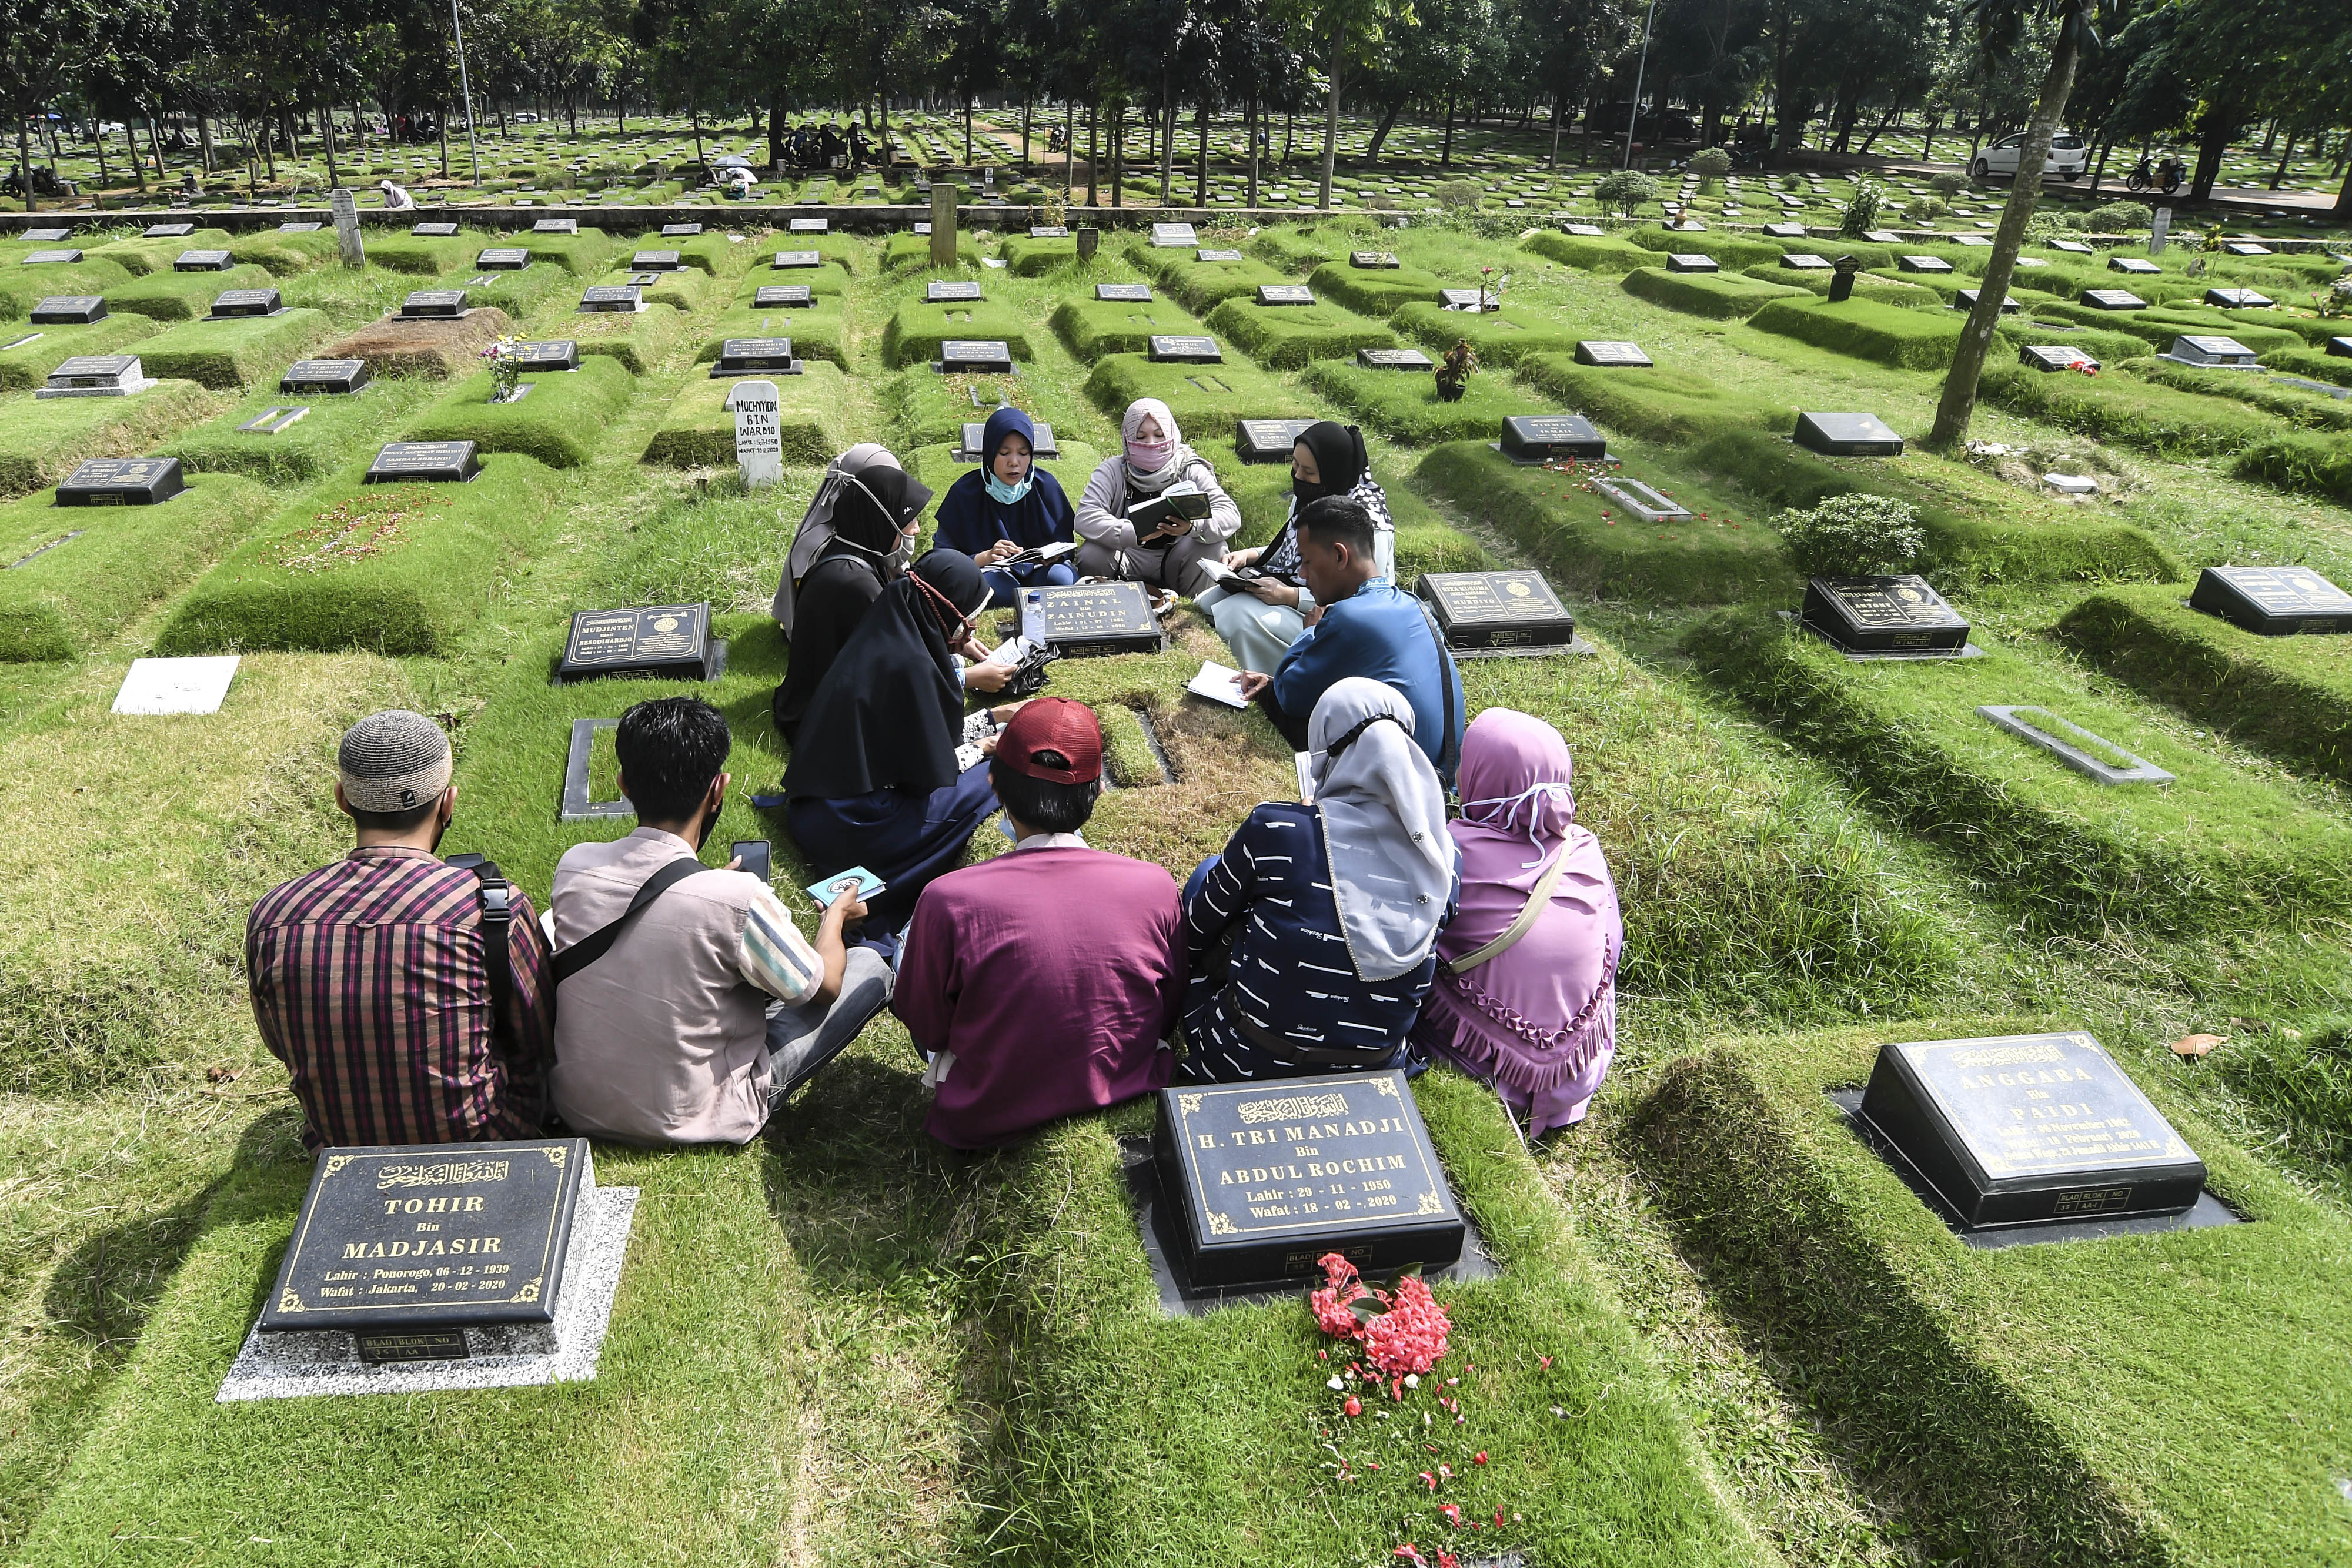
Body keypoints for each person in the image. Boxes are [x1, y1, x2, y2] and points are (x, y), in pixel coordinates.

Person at [549, 697, 886, 1146]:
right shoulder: (738, 899)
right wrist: (836, 918)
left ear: (624, 785)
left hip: (581, 1108)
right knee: (867, 965)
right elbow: (824, 986)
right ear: (719, 789)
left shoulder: (575, 867)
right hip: (697, 1118)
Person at [246, 710, 554, 1150]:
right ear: (448, 802)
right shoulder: (490, 906)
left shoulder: (272, 915)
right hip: (483, 1138)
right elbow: (537, 1036)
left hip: (341, 1145)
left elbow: (280, 1044)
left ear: (342, 799)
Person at [893, 698, 1184, 1147]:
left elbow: (927, 1025)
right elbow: (1165, 1012)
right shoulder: (1157, 886)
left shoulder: (946, 899)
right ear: (1098, 790)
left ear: (996, 786)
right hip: (1130, 1085)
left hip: (982, 1116)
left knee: (907, 944)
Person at [1180, 679, 1457, 1082]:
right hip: (1375, 1074)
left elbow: (1194, 930)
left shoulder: (1279, 828)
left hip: (1247, 1060)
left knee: (1210, 872)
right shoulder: (1445, 860)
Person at [1410, 710, 1621, 1137]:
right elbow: (1611, 946)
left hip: (1487, 1071)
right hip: (1579, 1073)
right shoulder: (1584, 847)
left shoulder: (1449, 852)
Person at [783, 549, 1010, 937]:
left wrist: (995, 717)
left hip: (812, 807)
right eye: (971, 615)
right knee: (999, 777)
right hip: (853, 825)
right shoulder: (913, 668)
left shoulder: (886, 632)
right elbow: (930, 779)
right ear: (949, 611)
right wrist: (987, 747)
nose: (973, 626)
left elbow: (926, 739)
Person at [1237, 496, 1464, 783]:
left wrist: (1309, 632)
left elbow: (1290, 697)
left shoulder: (1350, 617)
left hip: (1409, 788)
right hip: (1443, 774)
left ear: (1340, 556)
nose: (1303, 574)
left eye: (1307, 561)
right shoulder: (1413, 603)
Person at [1199, 420, 1392, 677]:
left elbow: (1367, 598)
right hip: (1299, 590)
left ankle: (1266, 685)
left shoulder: (1367, 524)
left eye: (1309, 472)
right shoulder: (1312, 497)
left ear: (1332, 473)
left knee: (1239, 615)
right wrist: (1252, 555)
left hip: (1335, 618)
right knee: (1208, 602)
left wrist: (1291, 596)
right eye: (1295, 466)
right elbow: (1296, 547)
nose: (1298, 477)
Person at [772, 449, 939, 741]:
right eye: (910, 520)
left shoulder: (850, 554)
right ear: (882, 521)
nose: (917, 529)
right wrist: (963, 676)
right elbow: (891, 670)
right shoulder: (856, 584)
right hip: (826, 720)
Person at [1074, 399, 1241, 598]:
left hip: (1178, 558)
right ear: (1127, 439)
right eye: (1141, 437)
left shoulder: (1190, 469)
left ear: (1171, 434)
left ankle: (1197, 610)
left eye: (1159, 435)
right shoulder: (1112, 471)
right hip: (1127, 556)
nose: (1151, 444)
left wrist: (1192, 527)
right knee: (1092, 553)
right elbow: (1086, 517)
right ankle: (1104, 606)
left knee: (1213, 546)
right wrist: (1132, 532)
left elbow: (1230, 515)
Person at [933, 407, 1079, 609]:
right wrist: (986, 556)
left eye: (1023, 453)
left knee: (1062, 578)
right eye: (1004, 453)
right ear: (990, 451)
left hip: (1040, 572)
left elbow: (1066, 543)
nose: (1014, 462)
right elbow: (942, 560)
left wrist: (1056, 556)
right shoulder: (964, 492)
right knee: (993, 590)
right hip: (991, 573)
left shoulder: (1045, 486)